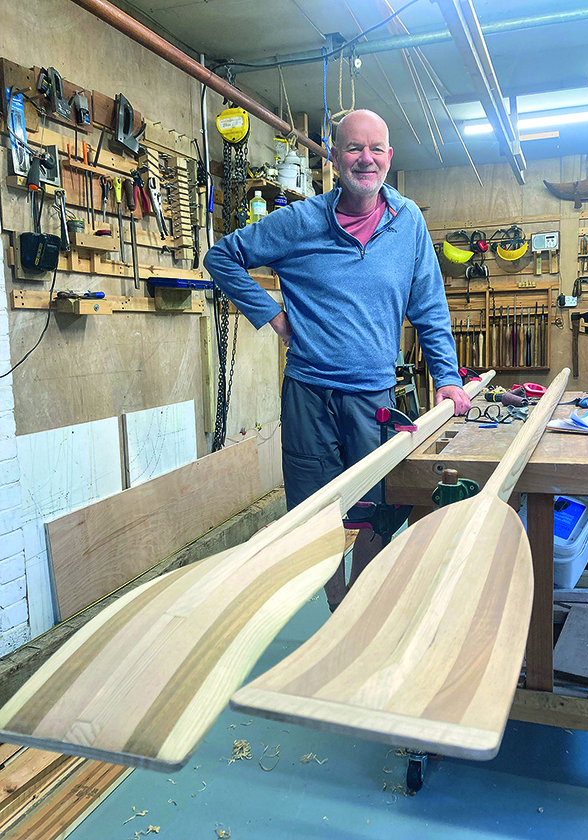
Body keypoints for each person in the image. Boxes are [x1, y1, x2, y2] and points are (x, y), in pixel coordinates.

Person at [204, 109, 470, 611]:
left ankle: (363, 608)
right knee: (316, 514)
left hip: (372, 396)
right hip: (308, 395)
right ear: (333, 156)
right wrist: (274, 318)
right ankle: (336, 606)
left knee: (375, 508)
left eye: (375, 149)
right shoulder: (299, 222)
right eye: (353, 148)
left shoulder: (407, 221)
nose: (365, 159)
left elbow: (430, 306)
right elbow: (221, 258)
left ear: (389, 158)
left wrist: (450, 378)